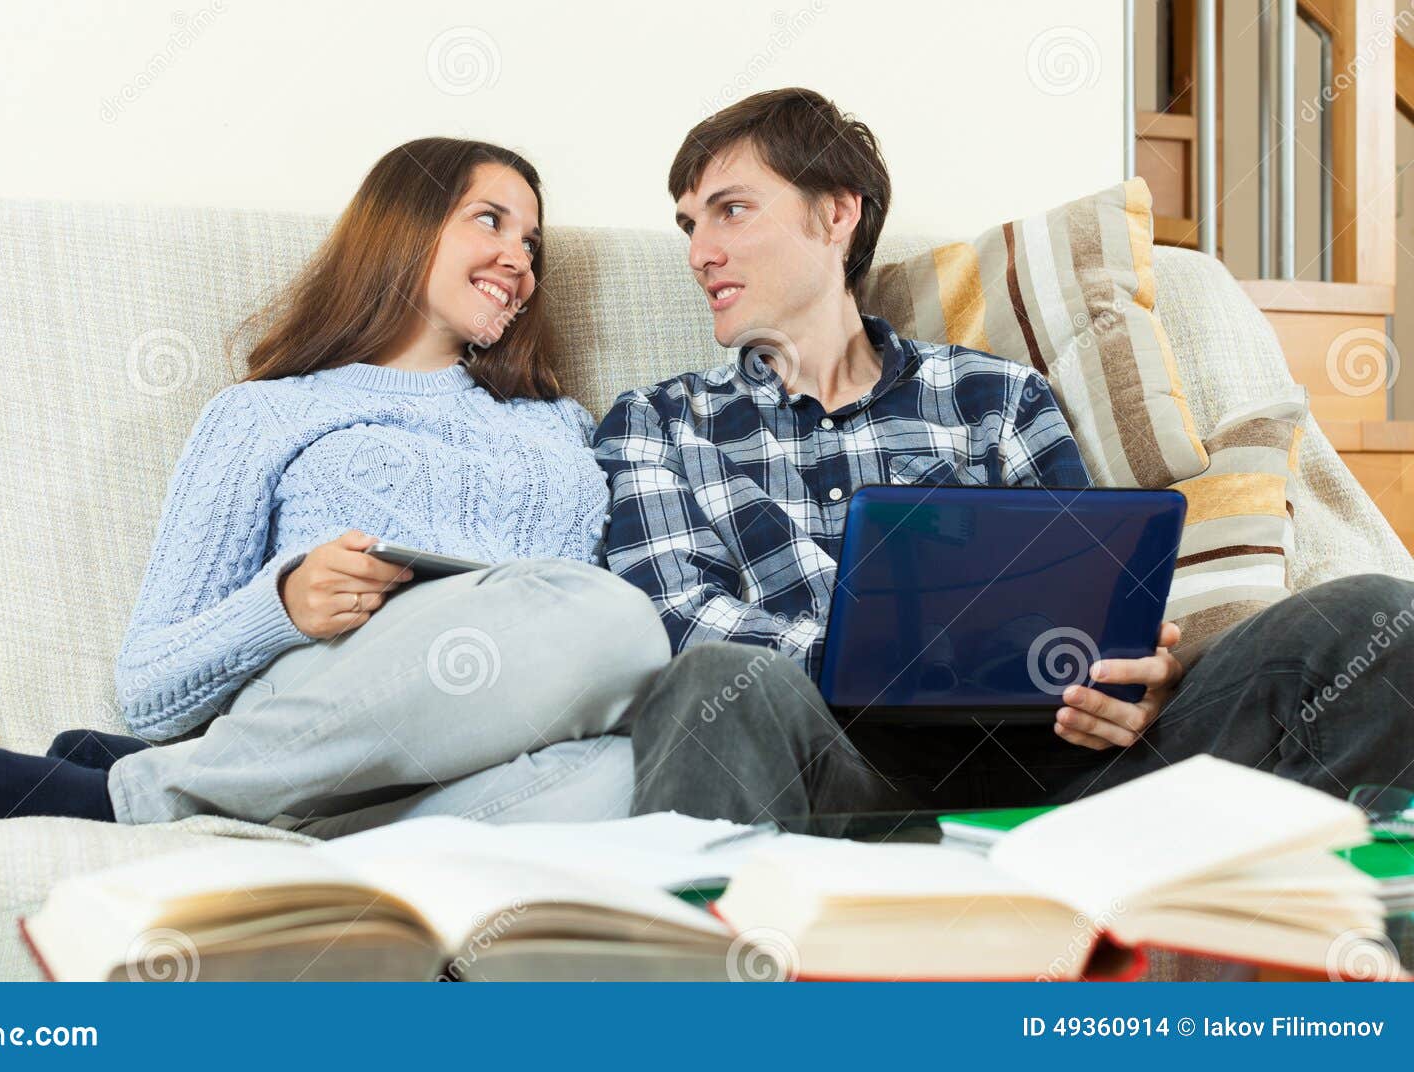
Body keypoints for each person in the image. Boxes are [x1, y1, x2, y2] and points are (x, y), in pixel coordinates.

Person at [594, 88, 1414, 824]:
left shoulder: (995, 395)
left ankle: (1330, 958)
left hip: (1062, 777)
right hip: (846, 779)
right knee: (713, 687)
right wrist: (898, 659)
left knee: (1375, 619)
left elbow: (1088, 602)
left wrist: (1126, 682)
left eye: (730, 210)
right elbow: (673, 625)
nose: (699, 249)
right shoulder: (661, 423)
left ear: (836, 214)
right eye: (689, 223)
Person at [0, 138, 668, 835]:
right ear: (403, 227)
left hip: (497, 735)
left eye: (531, 244)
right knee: (614, 621)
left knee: (629, 769)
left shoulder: (560, 425)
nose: (519, 261)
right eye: (491, 222)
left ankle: (220, 799)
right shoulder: (268, 411)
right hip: (339, 689)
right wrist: (284, 605)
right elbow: (150, 685)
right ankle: (149, 793)